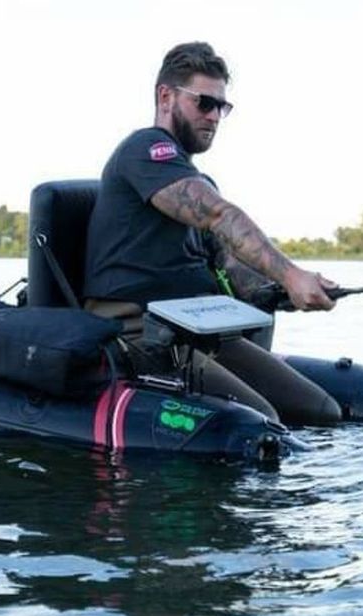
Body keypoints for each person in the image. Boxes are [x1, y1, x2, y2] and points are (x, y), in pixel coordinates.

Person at [83, 41, 343, 426]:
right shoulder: (145, 151)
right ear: (166, 96)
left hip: (196, 328)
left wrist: (280, 288)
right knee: (261, 422)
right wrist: (291, 273)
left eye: (222, 106)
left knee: (322, 410)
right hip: (139, 330)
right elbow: (219, 215)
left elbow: (227, 262)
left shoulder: (193, 177)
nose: (215, 116)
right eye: (204, 102)